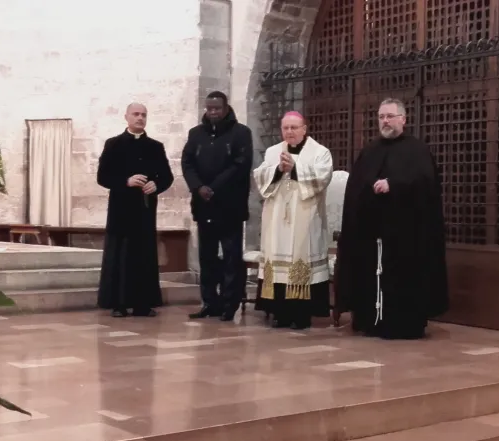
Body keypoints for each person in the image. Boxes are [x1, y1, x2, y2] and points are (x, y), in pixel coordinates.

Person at [334, 98, 448, 339]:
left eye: (390, 116)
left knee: (402, 280)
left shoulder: (417, 150)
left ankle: (403, 324)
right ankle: (369, 320)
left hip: (406, 234)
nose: (385, 121)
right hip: (371, 231)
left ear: (403, 120)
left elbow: (426, 184)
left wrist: (394, 185)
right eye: (381, 117)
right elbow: (356, 188)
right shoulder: (369, 151)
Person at [252, 111, 334, 330]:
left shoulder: (320, 152)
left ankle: (301, 315)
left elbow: (323, 177)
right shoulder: (272, 152)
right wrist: (278, 169)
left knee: (301, 259)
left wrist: (295, 168)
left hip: (305, 217)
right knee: (278, 264)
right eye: (285, 128)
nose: (289, 132)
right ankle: (279, 313)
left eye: (294, 128)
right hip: (277, 218)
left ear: (304, 129)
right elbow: (260, 178)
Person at [96, 103, 174, 318]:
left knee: (144, 256)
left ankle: (143, 304)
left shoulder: (155, 146)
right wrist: (126, 181)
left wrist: (156, 185)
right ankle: (119, 304)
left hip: (145, 210)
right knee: (120, 256)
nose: (140, 118)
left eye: (144, 115)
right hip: (121, 209)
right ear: (127, 117)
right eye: (136, 114)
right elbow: (102, 177)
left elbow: (167, 177)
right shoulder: (113, 144)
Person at [182, 91, 253, 322]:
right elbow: (187, 163)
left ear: (226, 108)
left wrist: (214, 187)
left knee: (232, 257)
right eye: (209, 108)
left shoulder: (241, 133)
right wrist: (198, 187)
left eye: (217, 108)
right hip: (204, 205)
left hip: (229, 206)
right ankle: (209, 302)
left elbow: (240, 165)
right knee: (207, 257)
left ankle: (229, 304)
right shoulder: (196, 134)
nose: (213, 112)